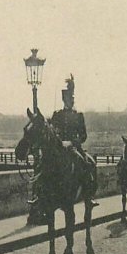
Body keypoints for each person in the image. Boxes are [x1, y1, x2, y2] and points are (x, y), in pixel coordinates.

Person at [30, 74, 97, 206]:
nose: (69, 101)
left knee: (87, 164)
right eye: (67, 99)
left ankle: (88, 197)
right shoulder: (57, 115)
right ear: (64, 100)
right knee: (42, 167)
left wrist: (71, 142)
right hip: (58, 147)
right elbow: (51, 130)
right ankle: (38, 196)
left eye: (71, 99)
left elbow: (83, 136)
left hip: (73, 148)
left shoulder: (78, 116)